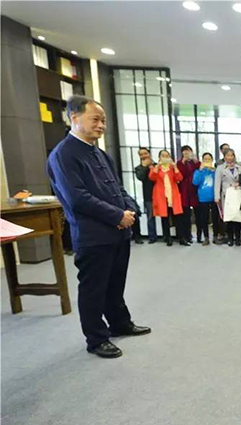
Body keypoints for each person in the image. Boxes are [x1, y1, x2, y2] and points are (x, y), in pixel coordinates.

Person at [46, 95, 149, 358]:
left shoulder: (99, 153)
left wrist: (131, 209)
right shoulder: (63, 155)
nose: (101, 125)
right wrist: (118, 215)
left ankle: (120, 323)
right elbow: (77, 198)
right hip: (93, 235)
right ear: (74, 117)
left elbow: (118, 188)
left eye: (103, 120)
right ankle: (96, 338)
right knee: (94, 289)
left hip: (118, 232)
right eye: (95, 119)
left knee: (115, 283)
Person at [149, 150, 184, 247]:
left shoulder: (172, 168)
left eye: (167, 156)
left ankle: (181, 238)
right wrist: (157, 166)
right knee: (165, 218)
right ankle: (167, 238)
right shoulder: (156, 168)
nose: (165, 157)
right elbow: (152, 177)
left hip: (173, 195)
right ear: (159, 157)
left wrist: (175, 167)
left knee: (178, 218)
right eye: (163, 156)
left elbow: (179, 178)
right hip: (161, 195)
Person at [214, 148, 241, 247]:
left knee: (238, 216)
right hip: (226, 195)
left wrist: (239, 184)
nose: (230, 158)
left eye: (232, 155)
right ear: (224, 157)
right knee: (229, 218)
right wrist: (217, 196)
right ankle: (230, 238)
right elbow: (217, 183)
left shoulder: (239, 167)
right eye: (228, 156)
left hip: (237, 194)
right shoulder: (220, 168)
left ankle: (238, 238)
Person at [176, 145, 199, 245]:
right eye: (185, 152)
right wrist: (183, 162)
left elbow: (198, 171)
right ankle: (183, 236)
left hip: (193, 190)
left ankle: (189, 235)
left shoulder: (193, 162)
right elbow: (182, 174)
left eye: (188, 152)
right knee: (184, 215)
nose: (187, 154)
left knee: (191, 215)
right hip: (183, 191)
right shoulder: (179, 163)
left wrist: (195, 161)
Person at [192, 153, 216, 246]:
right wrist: (199, 171)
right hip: (203, 198)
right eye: (205, 159)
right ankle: (206, 237)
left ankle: (215, 236)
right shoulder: (199, 171)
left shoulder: (214, 171)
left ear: (212, 160)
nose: (207, 161)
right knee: (204, 219)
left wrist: (214, 171)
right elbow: (195, 182)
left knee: (215, 218)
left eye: (209, 159)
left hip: (214, 198)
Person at [134, 147, 157, 244]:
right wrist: (144, 166)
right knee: (150, 217)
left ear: (149, 154)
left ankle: (167, 236)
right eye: (141, 154)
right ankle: (152, 237)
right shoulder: (139, 168)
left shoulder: (157, 165)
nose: (143, 156)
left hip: (160, 194)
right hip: (148, 195)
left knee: (165, 216)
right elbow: (140, 177)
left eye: (145, 153)